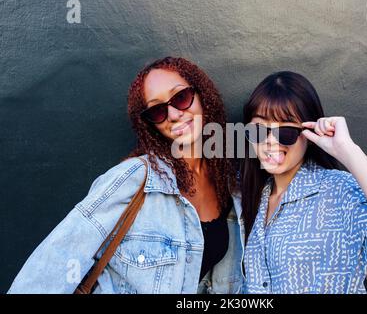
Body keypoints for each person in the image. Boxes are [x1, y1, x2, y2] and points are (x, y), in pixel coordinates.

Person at [8, 56, 245, 294]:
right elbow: (56, 259)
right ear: (151, 124)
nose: (173, 114)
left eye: (181, 98)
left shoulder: (229, 184)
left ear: (202, 95)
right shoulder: (133, 178)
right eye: (158, 111)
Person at [240, 71, 367, 294]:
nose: (269, 141)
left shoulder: (339, 192)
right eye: (258, 129)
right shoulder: (254, 196)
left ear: (308, 132)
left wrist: (348, 151)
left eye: (286, 131)